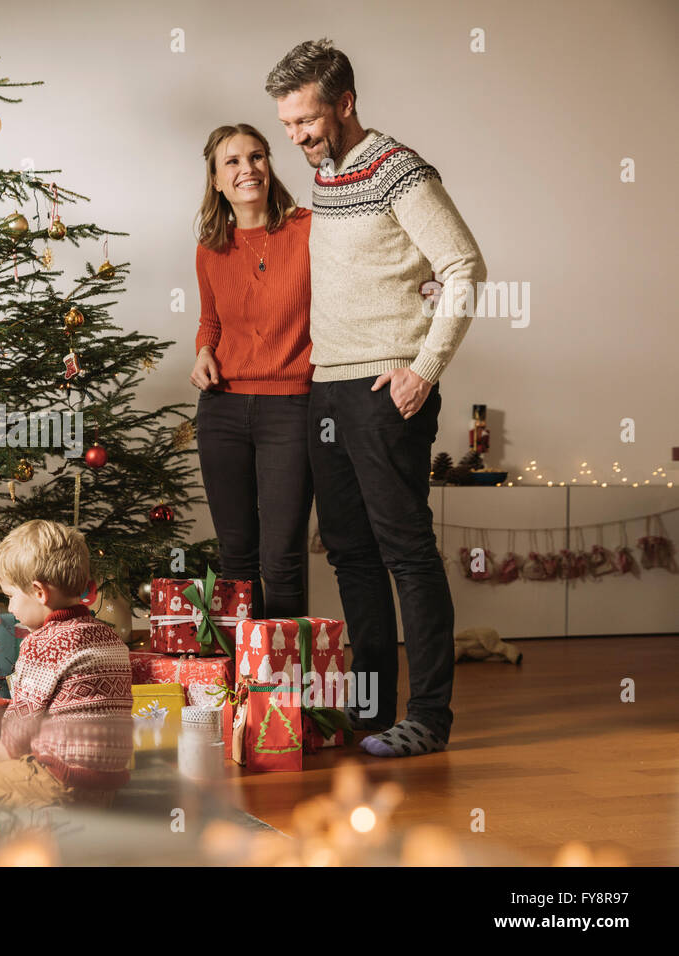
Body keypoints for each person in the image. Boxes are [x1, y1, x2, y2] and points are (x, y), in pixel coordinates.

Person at [266, 38, 487, 757]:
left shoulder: (400, 171)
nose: (296, 137)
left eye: (306, 120)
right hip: (326, 388)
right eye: (288, 124)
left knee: (407, 553)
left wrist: (423, 369)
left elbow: (463, 265)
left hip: (385, 387)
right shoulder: (327, 178)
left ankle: (428, 717)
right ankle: (368, 709)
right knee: (350, 555)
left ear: (346, 103)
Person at [191, 123, 314, 619]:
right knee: (236, 558)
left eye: (257, 157)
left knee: (281, 557)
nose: (248, 169)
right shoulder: (211, 249)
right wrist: (203, 352)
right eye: (234, 162)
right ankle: (246, 684)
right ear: (217, 180)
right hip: (222, 409)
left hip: (292, 406)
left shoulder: (308, 229)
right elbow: (210, 322)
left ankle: (287, 685)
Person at [0, 520, 133, 808]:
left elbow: (23, 718)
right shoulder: (109, 637)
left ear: (39, 592)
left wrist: (4, 750)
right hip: (106, 784)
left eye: (11, 596)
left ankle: (35, 811)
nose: (11, 607)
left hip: (58, 780)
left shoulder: (43, 643)